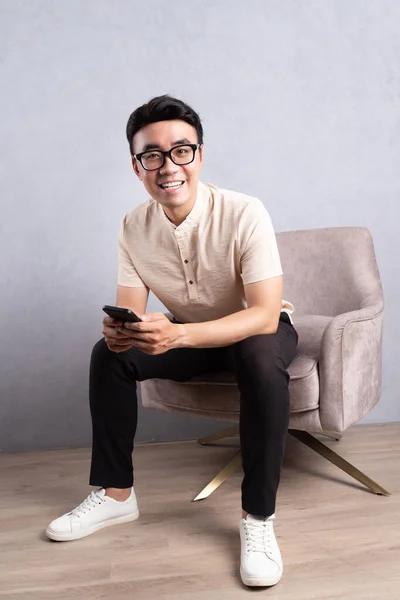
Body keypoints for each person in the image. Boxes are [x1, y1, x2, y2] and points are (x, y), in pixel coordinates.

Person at [45, 94, 298, 588]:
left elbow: (266, 314)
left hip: (253, 330)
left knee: (261, 358)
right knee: (109, 357)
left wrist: (179, 332)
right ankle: (117, 496)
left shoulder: (245, 212)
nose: (168, 166)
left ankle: (258, 518)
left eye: (181, 151)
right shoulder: (132, 225)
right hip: (188, 336)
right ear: (136, 166)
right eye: (152, 155)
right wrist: (122, 332)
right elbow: (133, 312)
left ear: (199, 156)